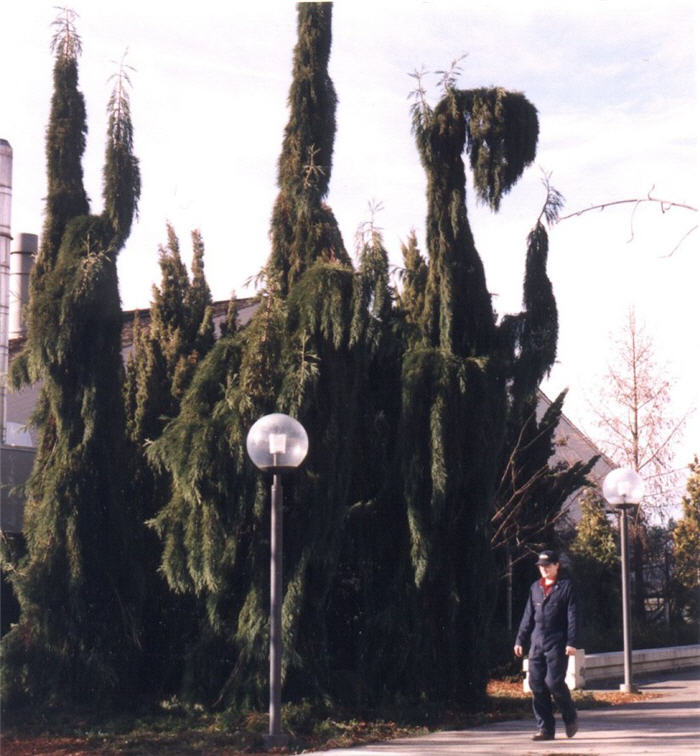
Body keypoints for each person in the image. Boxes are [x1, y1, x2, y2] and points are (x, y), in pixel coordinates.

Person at [514, 549, 579, 741]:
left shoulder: (566, 587)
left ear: (556, 565)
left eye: (547, 565)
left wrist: (571, 642)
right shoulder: (535, 588)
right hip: (537, 641)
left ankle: (570, 716)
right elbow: (528, 616)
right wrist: (520, 639)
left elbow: (573, 617)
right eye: (541, 566)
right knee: (536, 684)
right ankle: (545, 729)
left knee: (553, 682)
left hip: (557, 642)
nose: (544, 569)